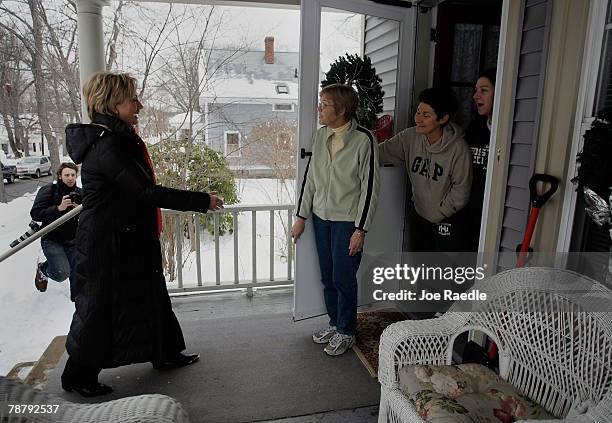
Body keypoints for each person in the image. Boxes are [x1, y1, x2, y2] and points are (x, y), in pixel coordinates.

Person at [63, 71, 224, 397]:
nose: (140, 105)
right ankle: (77, 375)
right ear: (112, 103)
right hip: (105, 243)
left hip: (126, 237)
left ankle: (164, 353)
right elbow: (146, 192)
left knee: (152, 295)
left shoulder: (116, 138)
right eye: (132, 99)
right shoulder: (108, 145)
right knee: (98, 308)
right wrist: (200, 201)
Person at [291, 83, 380, 356]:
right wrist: (301, 216)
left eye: (324, 105)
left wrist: (360, 229)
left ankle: (347, 331)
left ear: (341, 109)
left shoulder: (364, 140)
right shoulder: (321, 137)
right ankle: (336, 323)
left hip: (347, 223)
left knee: (343, 277)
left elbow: (370, 188)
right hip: (321, 218)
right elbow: (310, 180)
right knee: (328, 277)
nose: (319, 109)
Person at [378, 87, 472, 252]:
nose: (418, 119)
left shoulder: (458, 148)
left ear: (443, 119)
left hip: (448, 218)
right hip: (420, 215)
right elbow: (381, 152)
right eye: (418, 112)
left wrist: (441, 212)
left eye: (426, 115)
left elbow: (461, 190)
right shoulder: (410, 137)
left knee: (441, 270)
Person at [31, 162, 82, 301]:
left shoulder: (80, 193)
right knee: (61, 273)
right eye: (67, 175)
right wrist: (58, 208)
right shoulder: (49, 190)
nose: (70, 178)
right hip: (52, 240)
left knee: (77, 278)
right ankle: (43, 269)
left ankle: (77, 305)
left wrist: (80, 211)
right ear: (60, 176)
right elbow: (35, 214)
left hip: (73, 241)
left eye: (73, 175)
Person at [465, 68, 496, 251]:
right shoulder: (474, 129)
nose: (476, 96)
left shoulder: (506, 133)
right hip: (470, 212)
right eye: (476, 91)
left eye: (484, 91)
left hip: (491, 216)